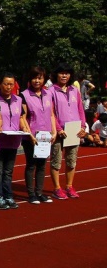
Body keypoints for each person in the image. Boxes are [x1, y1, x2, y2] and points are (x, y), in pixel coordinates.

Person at [0, 73, 32, 210]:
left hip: (13, 140)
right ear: (0, 84)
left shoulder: (18, 100)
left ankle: (8, 195)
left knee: (8, 171)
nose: (8, 87)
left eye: (11, 84)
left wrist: (27, 130)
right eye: (6, 84)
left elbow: (21, 118)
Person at [48, 63, 86, 199]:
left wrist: (83, 126)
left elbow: (80, 109)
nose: (64, 75)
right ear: (56, 75)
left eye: (67, 73)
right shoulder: (50, 91)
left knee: (71, 160)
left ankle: (69, 186)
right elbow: (51, 112)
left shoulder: (74, 90)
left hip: (74, 130)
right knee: (56, 161)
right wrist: (57, 128)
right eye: (61, 73)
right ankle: (57, 188)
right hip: (59, 131)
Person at [20, 67, 57, 205]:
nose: (37, 80)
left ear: (44, 79)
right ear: (30, 79)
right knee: (31, 164)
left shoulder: (48, 94)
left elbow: (52, 114)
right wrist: (29, 134)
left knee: (42, 165)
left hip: (45, 136)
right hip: (31, 136)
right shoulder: (24, 95)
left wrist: (54, 132)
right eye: (35, 77)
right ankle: (31, 194)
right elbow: (22, 117)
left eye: (40, 78)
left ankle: (39, 192)